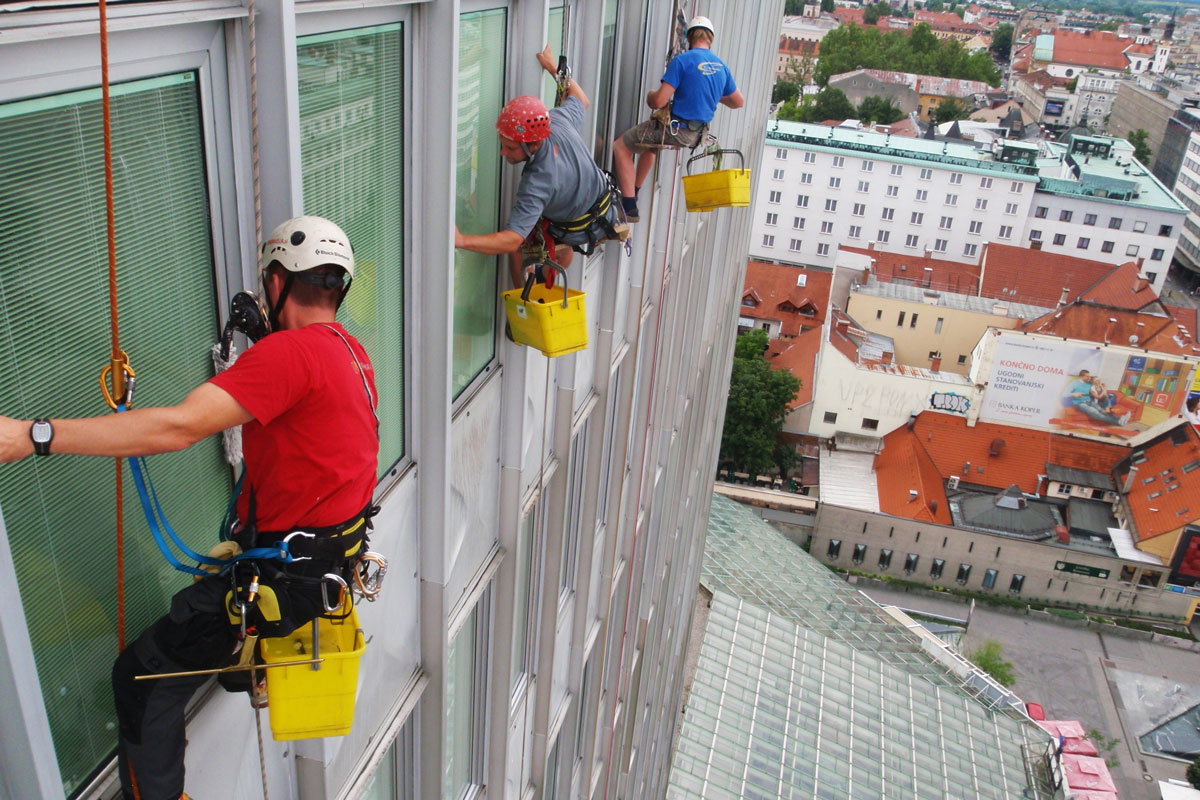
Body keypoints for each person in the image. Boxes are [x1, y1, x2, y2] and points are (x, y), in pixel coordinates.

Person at [0, 216, 379, 800]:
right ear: (338, 288)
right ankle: (237, 659)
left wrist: (34, 436)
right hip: (318, 572)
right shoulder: (352, 353)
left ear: (276, 282)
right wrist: (267, 347)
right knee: (207, 613)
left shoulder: (288, 358)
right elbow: (307, 423)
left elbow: (178, 428)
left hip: (282, 582)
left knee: (139, 676)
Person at [455, 45, 624, 289]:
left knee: (517, 249)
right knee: (555, 237)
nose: (502, 153)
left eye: (510, 148)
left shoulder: (539, 180)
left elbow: (512, 240)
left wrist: (461, 240)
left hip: (582, 224)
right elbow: (581, 98)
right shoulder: (557, 120)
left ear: (532, 144)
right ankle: (543, 277)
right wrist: (552, 67)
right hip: (599, 206)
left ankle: (519, 302)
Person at [611, 15, 745, 222]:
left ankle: (628, 206)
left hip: (676, 130)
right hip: (696, 134)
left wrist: (650, 96)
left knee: (620, 147)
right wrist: (711, 95)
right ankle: (634, 192)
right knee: (650, 145)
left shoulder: (682, 61)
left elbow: (659, 101)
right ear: (710, 39)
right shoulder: (721, 66)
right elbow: (738, 102)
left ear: (689, 38)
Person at [1062, 370, 1130, 426]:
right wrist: (1074, 394)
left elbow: (1098, 386)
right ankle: (1118, 421)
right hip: (1079, 403)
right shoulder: (1074, 383)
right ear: (1081, 376)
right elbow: (1064, 394)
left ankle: (1121, 419)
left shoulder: (1089, 384)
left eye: (1089, 376)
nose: (1089, 377)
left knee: (1102, 411)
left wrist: (1103, 387)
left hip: (1090, 402)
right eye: (1087, 376)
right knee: (1095, 413)